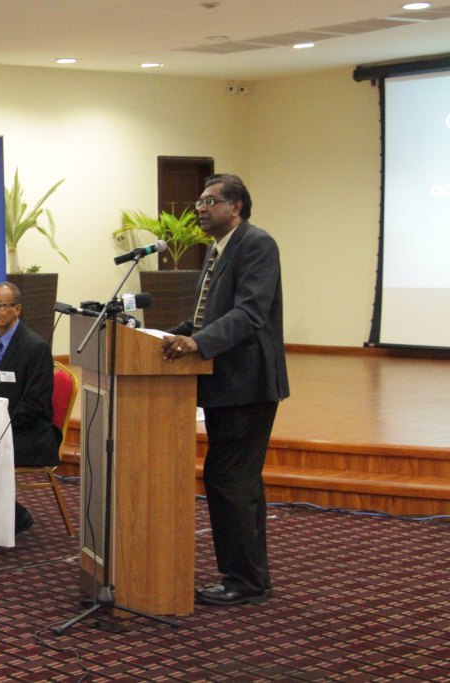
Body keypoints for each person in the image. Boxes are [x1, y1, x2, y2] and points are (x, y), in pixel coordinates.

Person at [161, 173, 289, 607]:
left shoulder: (257, 244)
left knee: (230, 479)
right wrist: (166, 335)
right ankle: (249, 576)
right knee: (234, 480)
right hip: (225, 384)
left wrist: (198, 343)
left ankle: (245, 580)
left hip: (248, 384)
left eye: (210, 201)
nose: (200, 208)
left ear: (236, 207)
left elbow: (250, 313)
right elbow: (205, 318)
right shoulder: (218, 250)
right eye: (199, 201)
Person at [0, 282, 61, 536]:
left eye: (0, 305)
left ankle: (15, 515)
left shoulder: (35, 347)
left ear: (17, 309)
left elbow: (35, 404)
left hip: (28, 433)